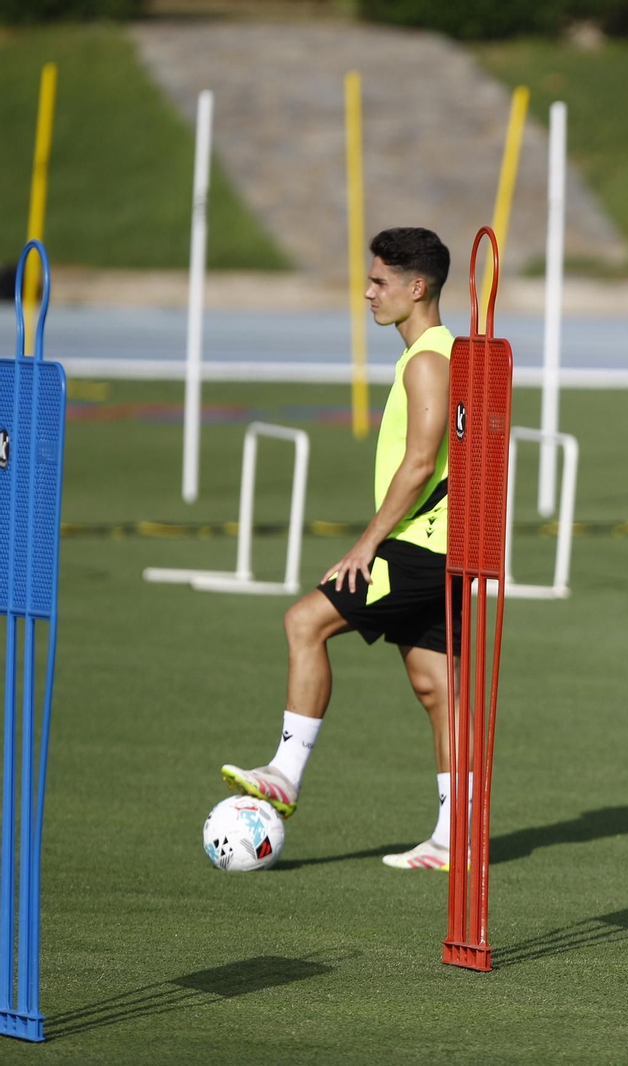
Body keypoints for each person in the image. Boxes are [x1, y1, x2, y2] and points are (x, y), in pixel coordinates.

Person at [221, 227, 461, 871]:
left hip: (417, 547)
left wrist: (365, 545)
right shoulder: (428, 354)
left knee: (305, 621)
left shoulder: (432, 359)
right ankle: (452, 836)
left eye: (380, 282)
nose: (367, 292)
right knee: (436, 685)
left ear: (418, 288)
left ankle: (285, 775)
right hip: (435, 548)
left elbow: (420, 463)